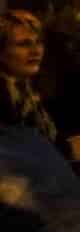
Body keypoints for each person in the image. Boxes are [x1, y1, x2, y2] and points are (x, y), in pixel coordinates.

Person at [1, 10, 56, 142]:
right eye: (24, 44)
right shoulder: (4, 96)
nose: (35, 51)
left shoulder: (27, 89)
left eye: (38, 42)